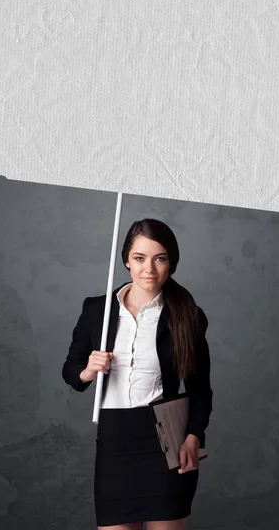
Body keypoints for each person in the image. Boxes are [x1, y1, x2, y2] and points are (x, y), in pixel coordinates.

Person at [62, 218, 213, 530]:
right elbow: (71, 371)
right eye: (139, 258)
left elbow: (201, 390)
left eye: (160, 259)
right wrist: (88, 370)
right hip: (115, 440)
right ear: (126, 260)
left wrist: (193, 437)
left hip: (165, 439)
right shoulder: (97, 311)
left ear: (171, 263)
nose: (149, 269)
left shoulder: (187, 315)